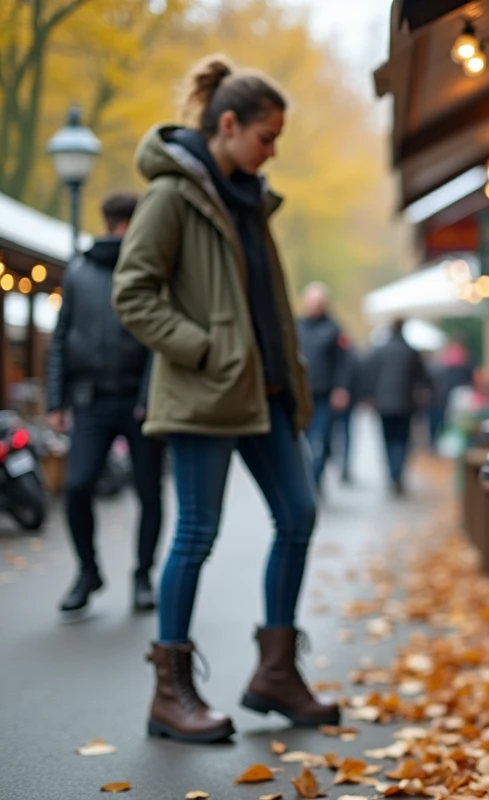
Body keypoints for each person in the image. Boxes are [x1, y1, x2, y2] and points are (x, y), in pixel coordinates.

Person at [113, 53, 337, 744]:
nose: (272, 151)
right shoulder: (171, 196)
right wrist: (207, 348)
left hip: (265, 394)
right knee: (196, 534)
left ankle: (274, 673)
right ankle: (170, 692)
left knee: (298, 515)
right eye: (266, 137)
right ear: (229, 124)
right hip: (207, 394)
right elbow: (133, 292)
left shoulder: (251, 198)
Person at [46, 190, 166, 617]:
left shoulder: (152, 268)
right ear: (130, 224)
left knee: (149, 491)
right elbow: (62, 338)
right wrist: (57, 399)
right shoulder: (79, 272)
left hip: (140, 402)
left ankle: (142, 576)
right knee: (77, 486)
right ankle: (88, 571)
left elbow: (160, 339)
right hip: (92, 401)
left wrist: (152, 395)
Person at [295, 283, 351, 487]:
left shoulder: (334, 329)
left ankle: (314, 480)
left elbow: (343, 362)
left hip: (325, 397)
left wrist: (341, 388)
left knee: (322, 441)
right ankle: (307, 482)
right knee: (304, 442)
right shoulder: (296, 326)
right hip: (301, 394)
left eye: (318, 302)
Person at [365, 319, 429, 494]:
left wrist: (370, 396)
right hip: (405, 404)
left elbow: (369, 374)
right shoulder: (411, 351)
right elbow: (423, 378)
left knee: (387, 441)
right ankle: (398, 474)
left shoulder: (380, 350)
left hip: (383, 404)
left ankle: (392, 475)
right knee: (401, 440)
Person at [427, 336, 474, 447]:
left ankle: (448, 445)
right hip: (459, 394)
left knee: (450, 421)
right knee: (457, 422)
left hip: (449, 394)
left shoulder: (446, 358)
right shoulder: (465, 357)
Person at [330, 342, 362, 484]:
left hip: (337, 399)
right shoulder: (351, 355)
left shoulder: (346, 358)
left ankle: (341, 464)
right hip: (343, 399)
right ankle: (342, 465)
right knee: (342, 434)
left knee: (336, 433)